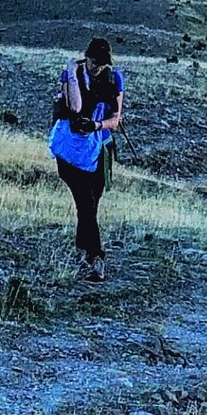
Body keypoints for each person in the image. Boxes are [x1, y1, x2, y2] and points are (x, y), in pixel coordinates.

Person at [49, 36, 126, 280]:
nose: (98, 68)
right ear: (87, 56)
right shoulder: (72, 75)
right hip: (72, 150)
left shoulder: (114, 79)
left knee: (90, 202)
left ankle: (81, 250)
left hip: (100, 147)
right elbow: (74, 107)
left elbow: (116, 119)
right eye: (94, 62)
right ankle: (97, 257)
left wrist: (96, 125)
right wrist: (72, 72)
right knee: (86, 202)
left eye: (102, 64)